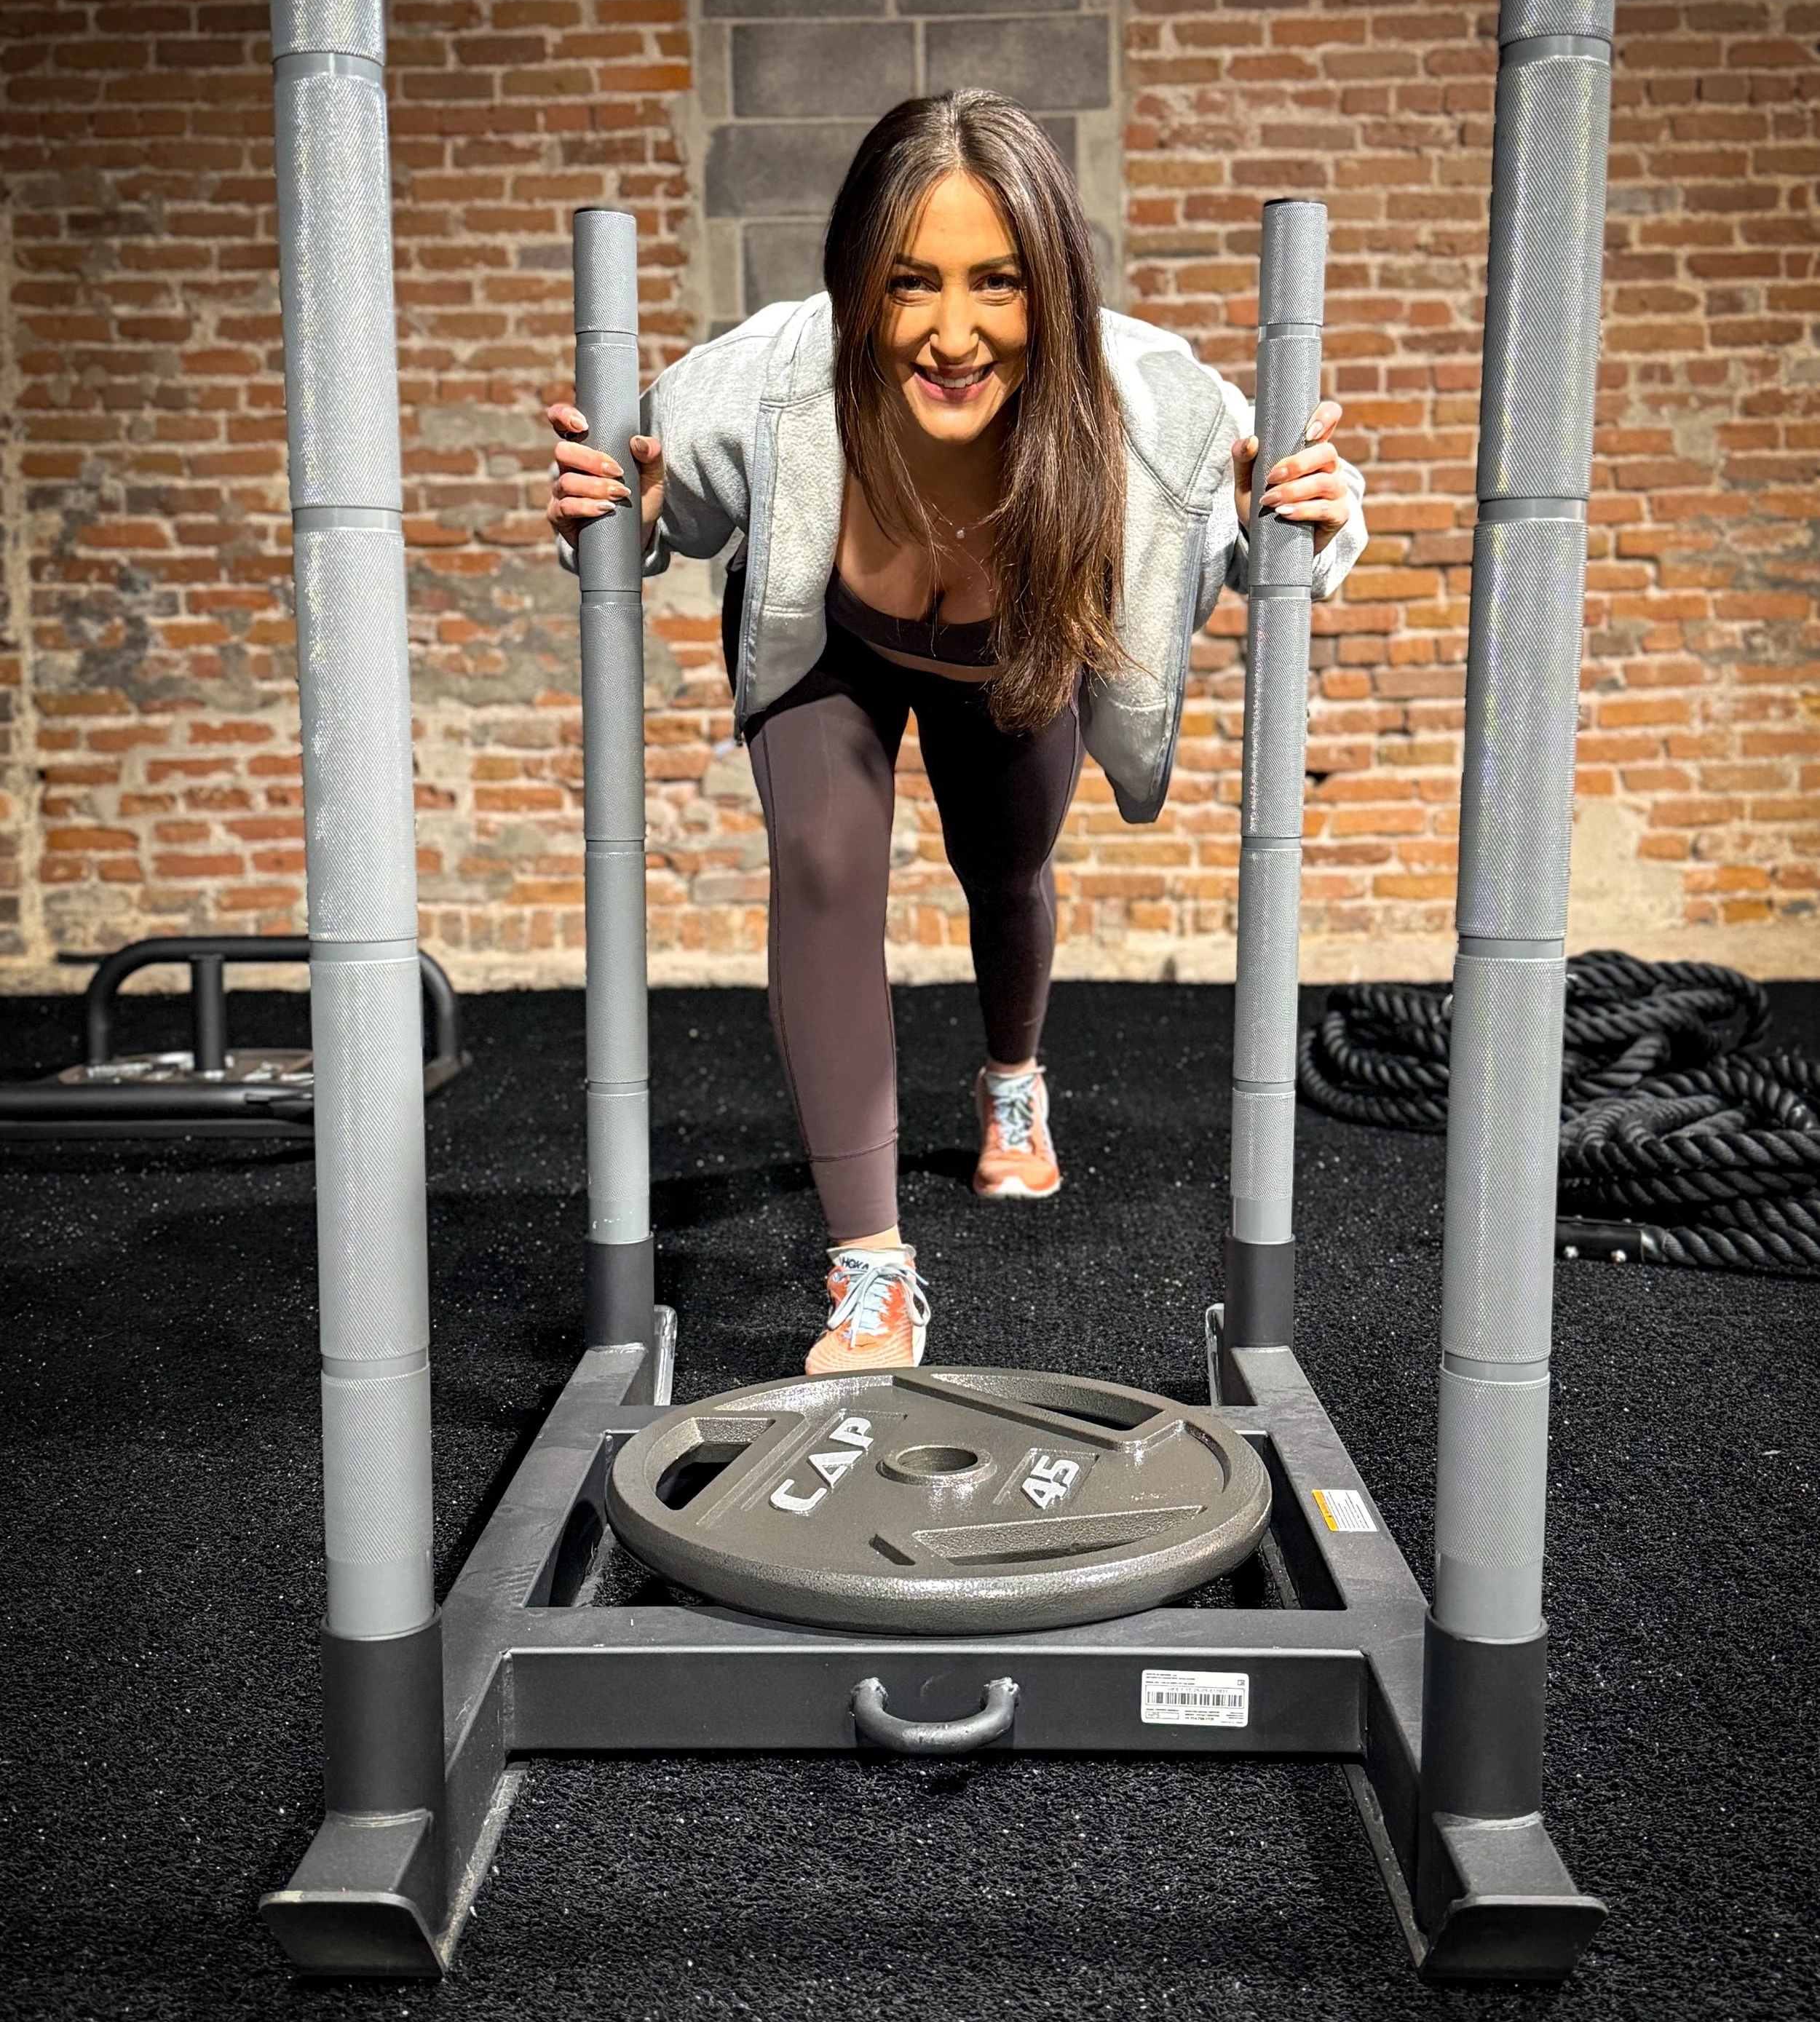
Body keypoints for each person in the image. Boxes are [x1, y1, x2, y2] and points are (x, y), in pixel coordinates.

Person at [547, 92, 1365, 1377]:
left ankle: (1011, 1078)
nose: (951, 334)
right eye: (910, 282)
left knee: (1007, 869)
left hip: (1016, 651)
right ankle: (871, 1269)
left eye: (997, 282)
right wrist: (621, 509)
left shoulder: (1155, 410)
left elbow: (1264, 535)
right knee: (822, 866)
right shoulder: (765, 378)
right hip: (834, 648)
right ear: (858, 283)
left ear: (1053, 282)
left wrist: (1307, 513)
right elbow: (657, 503)